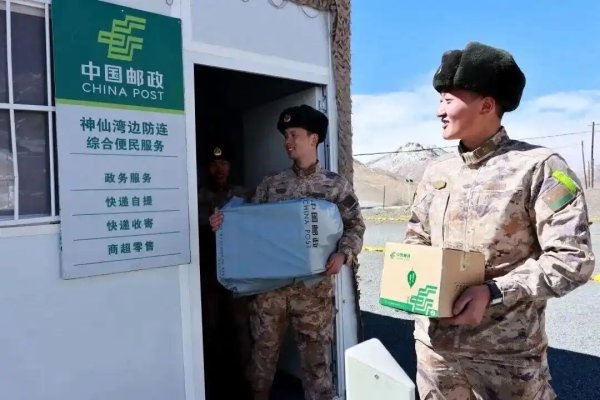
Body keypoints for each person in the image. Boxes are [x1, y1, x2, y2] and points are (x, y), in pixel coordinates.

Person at [404, 41, 595, 399]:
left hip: (505, 359)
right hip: (436, 353)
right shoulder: (436, 173)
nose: (439, 111)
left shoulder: (540, 168)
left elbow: (572, 260)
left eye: (448, 100)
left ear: (487, 105)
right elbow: (417, 239)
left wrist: (494, 292)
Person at [209, 104, 365, 400]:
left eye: (294, 134)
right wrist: (223, 223)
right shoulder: (272, 184)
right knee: (261, 363)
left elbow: (355, 226)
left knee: (316, 368)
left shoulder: (335, 185)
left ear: (314, 138)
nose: (288, 141)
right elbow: (249, 227)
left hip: (314, 296)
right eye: (286, 136)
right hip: (270, 293)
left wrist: (343, 255)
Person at [197, 143, 252, 399]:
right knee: (211, 326)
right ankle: (213, 383)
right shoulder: (198, 195)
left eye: (224, 163)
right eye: (214, 164)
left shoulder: (243, 194)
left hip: (238, 273)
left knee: (242, 327)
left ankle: (246, 384)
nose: (219, 168)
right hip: (209, 273)